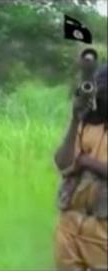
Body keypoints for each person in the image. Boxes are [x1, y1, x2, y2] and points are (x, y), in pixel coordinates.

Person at [54, 50, 107, 270]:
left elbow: (77, 164)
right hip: (70, 226)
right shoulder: (86, 124)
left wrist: (87, 163)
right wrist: (75, 120)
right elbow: (63, 163)